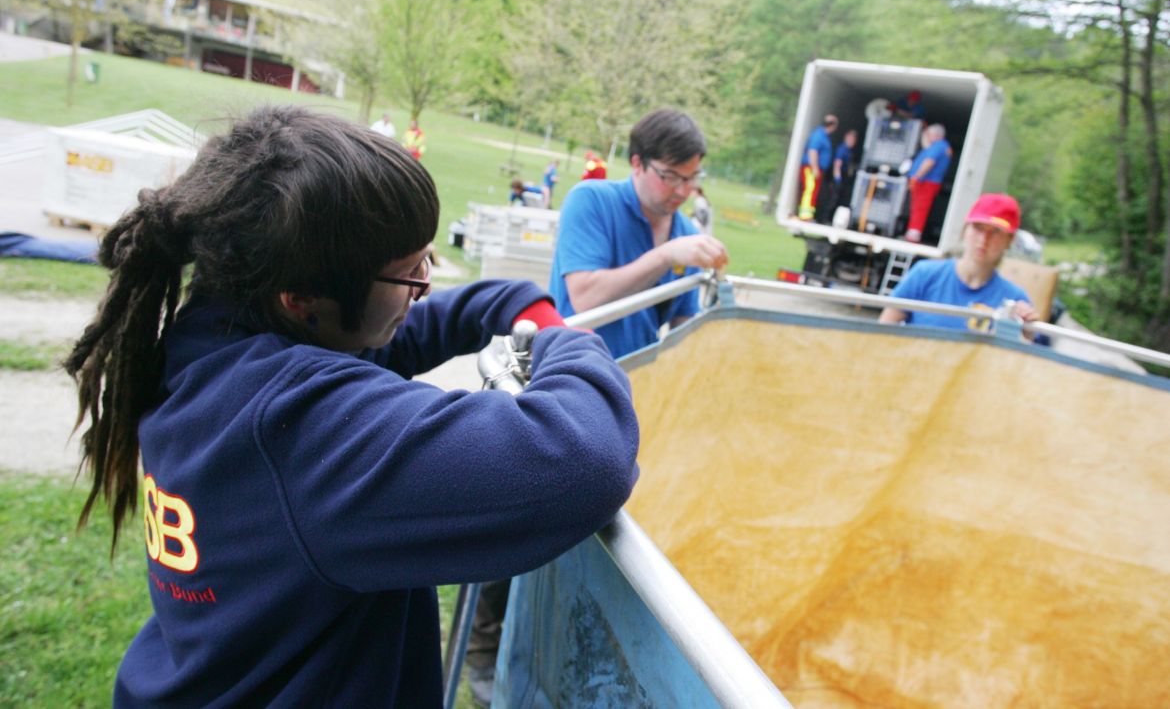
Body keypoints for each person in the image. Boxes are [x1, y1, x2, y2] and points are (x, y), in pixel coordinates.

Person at [64, 105, 640, 707]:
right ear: (302, 299)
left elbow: (392, 334)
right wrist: (571, 345)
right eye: (409, 275)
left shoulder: (214, 343)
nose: (426, 282)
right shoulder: (298, 431)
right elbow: (583, 457)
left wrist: (522, 307)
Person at [548, 107, 729, 360]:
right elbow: (585, 299)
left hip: (635, 383)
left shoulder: (685, 234)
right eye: (670, 176)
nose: (683, 191)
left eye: (692, 178)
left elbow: (683, 327)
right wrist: (665, 256)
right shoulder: (591, 200)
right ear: (637, 163)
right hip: (572, 374)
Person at [879, 193, 1039, 333]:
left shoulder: (1014, 300)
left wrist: (1027, 331)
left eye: (995, 232)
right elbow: (883, 333)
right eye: (978, 228)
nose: (984, 239)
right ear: (965, 230)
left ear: (1009, 241)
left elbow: (1022, 356)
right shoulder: (924, 274)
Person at [904, 123, 953, 243]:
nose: (927, 136)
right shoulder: (940, 146)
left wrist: (916, 176)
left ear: (935, 135)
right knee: (917, 207)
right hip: (926, 182)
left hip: (926, 182)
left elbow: (929, 162)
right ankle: (912, 231)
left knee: (920, 207)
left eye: (929, 134)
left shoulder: (939, 146)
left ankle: (914, 234)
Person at [797, 114, 838, 221]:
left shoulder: (824, 136)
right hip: (810, 168)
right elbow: (812, 151)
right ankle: (805, 216)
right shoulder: (819, 135)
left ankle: (808, 215)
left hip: (816, 168)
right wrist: (814, 168)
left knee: (813, 190)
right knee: (809, 189)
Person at [816, 128, 857, 225]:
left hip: (843, 177)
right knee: (832, 199)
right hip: (837, 177)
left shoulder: (850, 151)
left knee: (838, 199)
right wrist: (837, 179)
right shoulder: (842, 149)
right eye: (851, 139)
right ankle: (823, 219)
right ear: (846, 138)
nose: (852, 141)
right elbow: (837, 164)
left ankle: (830, 219)